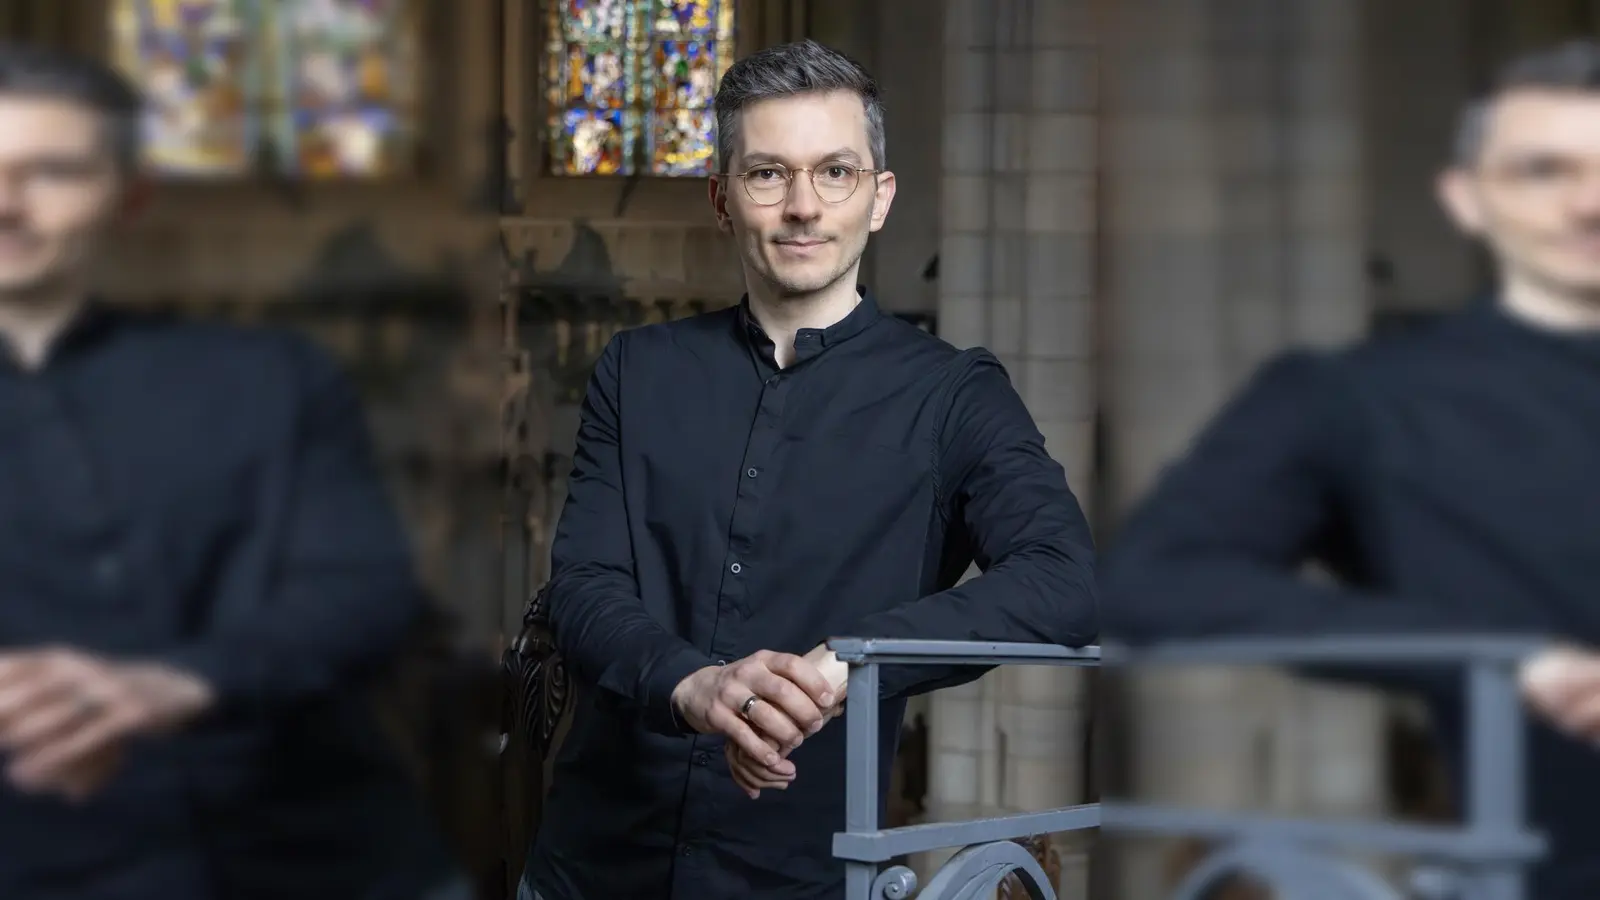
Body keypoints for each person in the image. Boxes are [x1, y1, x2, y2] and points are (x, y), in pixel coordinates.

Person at [519, 39, 1098, 900]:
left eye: (835, 172)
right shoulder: (637, 371)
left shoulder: (955, 396)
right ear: (722, 199)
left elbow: (1065, 579)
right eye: (768, 174)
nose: (803, 207)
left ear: (879, 198)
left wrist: (847, 665)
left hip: (798, 881)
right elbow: (583, 587)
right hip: (588, 873)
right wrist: (692, 685)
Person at [1102, 39, 1600, 900]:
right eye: (1542, 170)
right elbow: (1151, 580)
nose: (1589, 203)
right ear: (1467, 197)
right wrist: (1497, 657)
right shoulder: (1357, 399)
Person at [0, 44, 467, 900]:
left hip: (333, 860)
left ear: (130, 197)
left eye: (52, 172)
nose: (6, 205)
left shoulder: (271, 377)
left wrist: (184, 680)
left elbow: (363, 591)